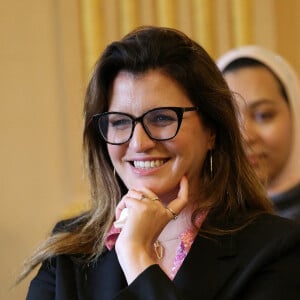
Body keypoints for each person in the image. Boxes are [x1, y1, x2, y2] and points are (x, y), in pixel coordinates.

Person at [21, 26, 300, 299]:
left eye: (162, 118)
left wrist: (137, 259)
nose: (139, 143)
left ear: (211, 130)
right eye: (119, 122)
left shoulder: (275, 248)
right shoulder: (69, 250)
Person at [217, 46, 300, 222]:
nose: (245, 137)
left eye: (263, 115)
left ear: (295, 113)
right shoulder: (213, 221)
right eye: (230, 119)